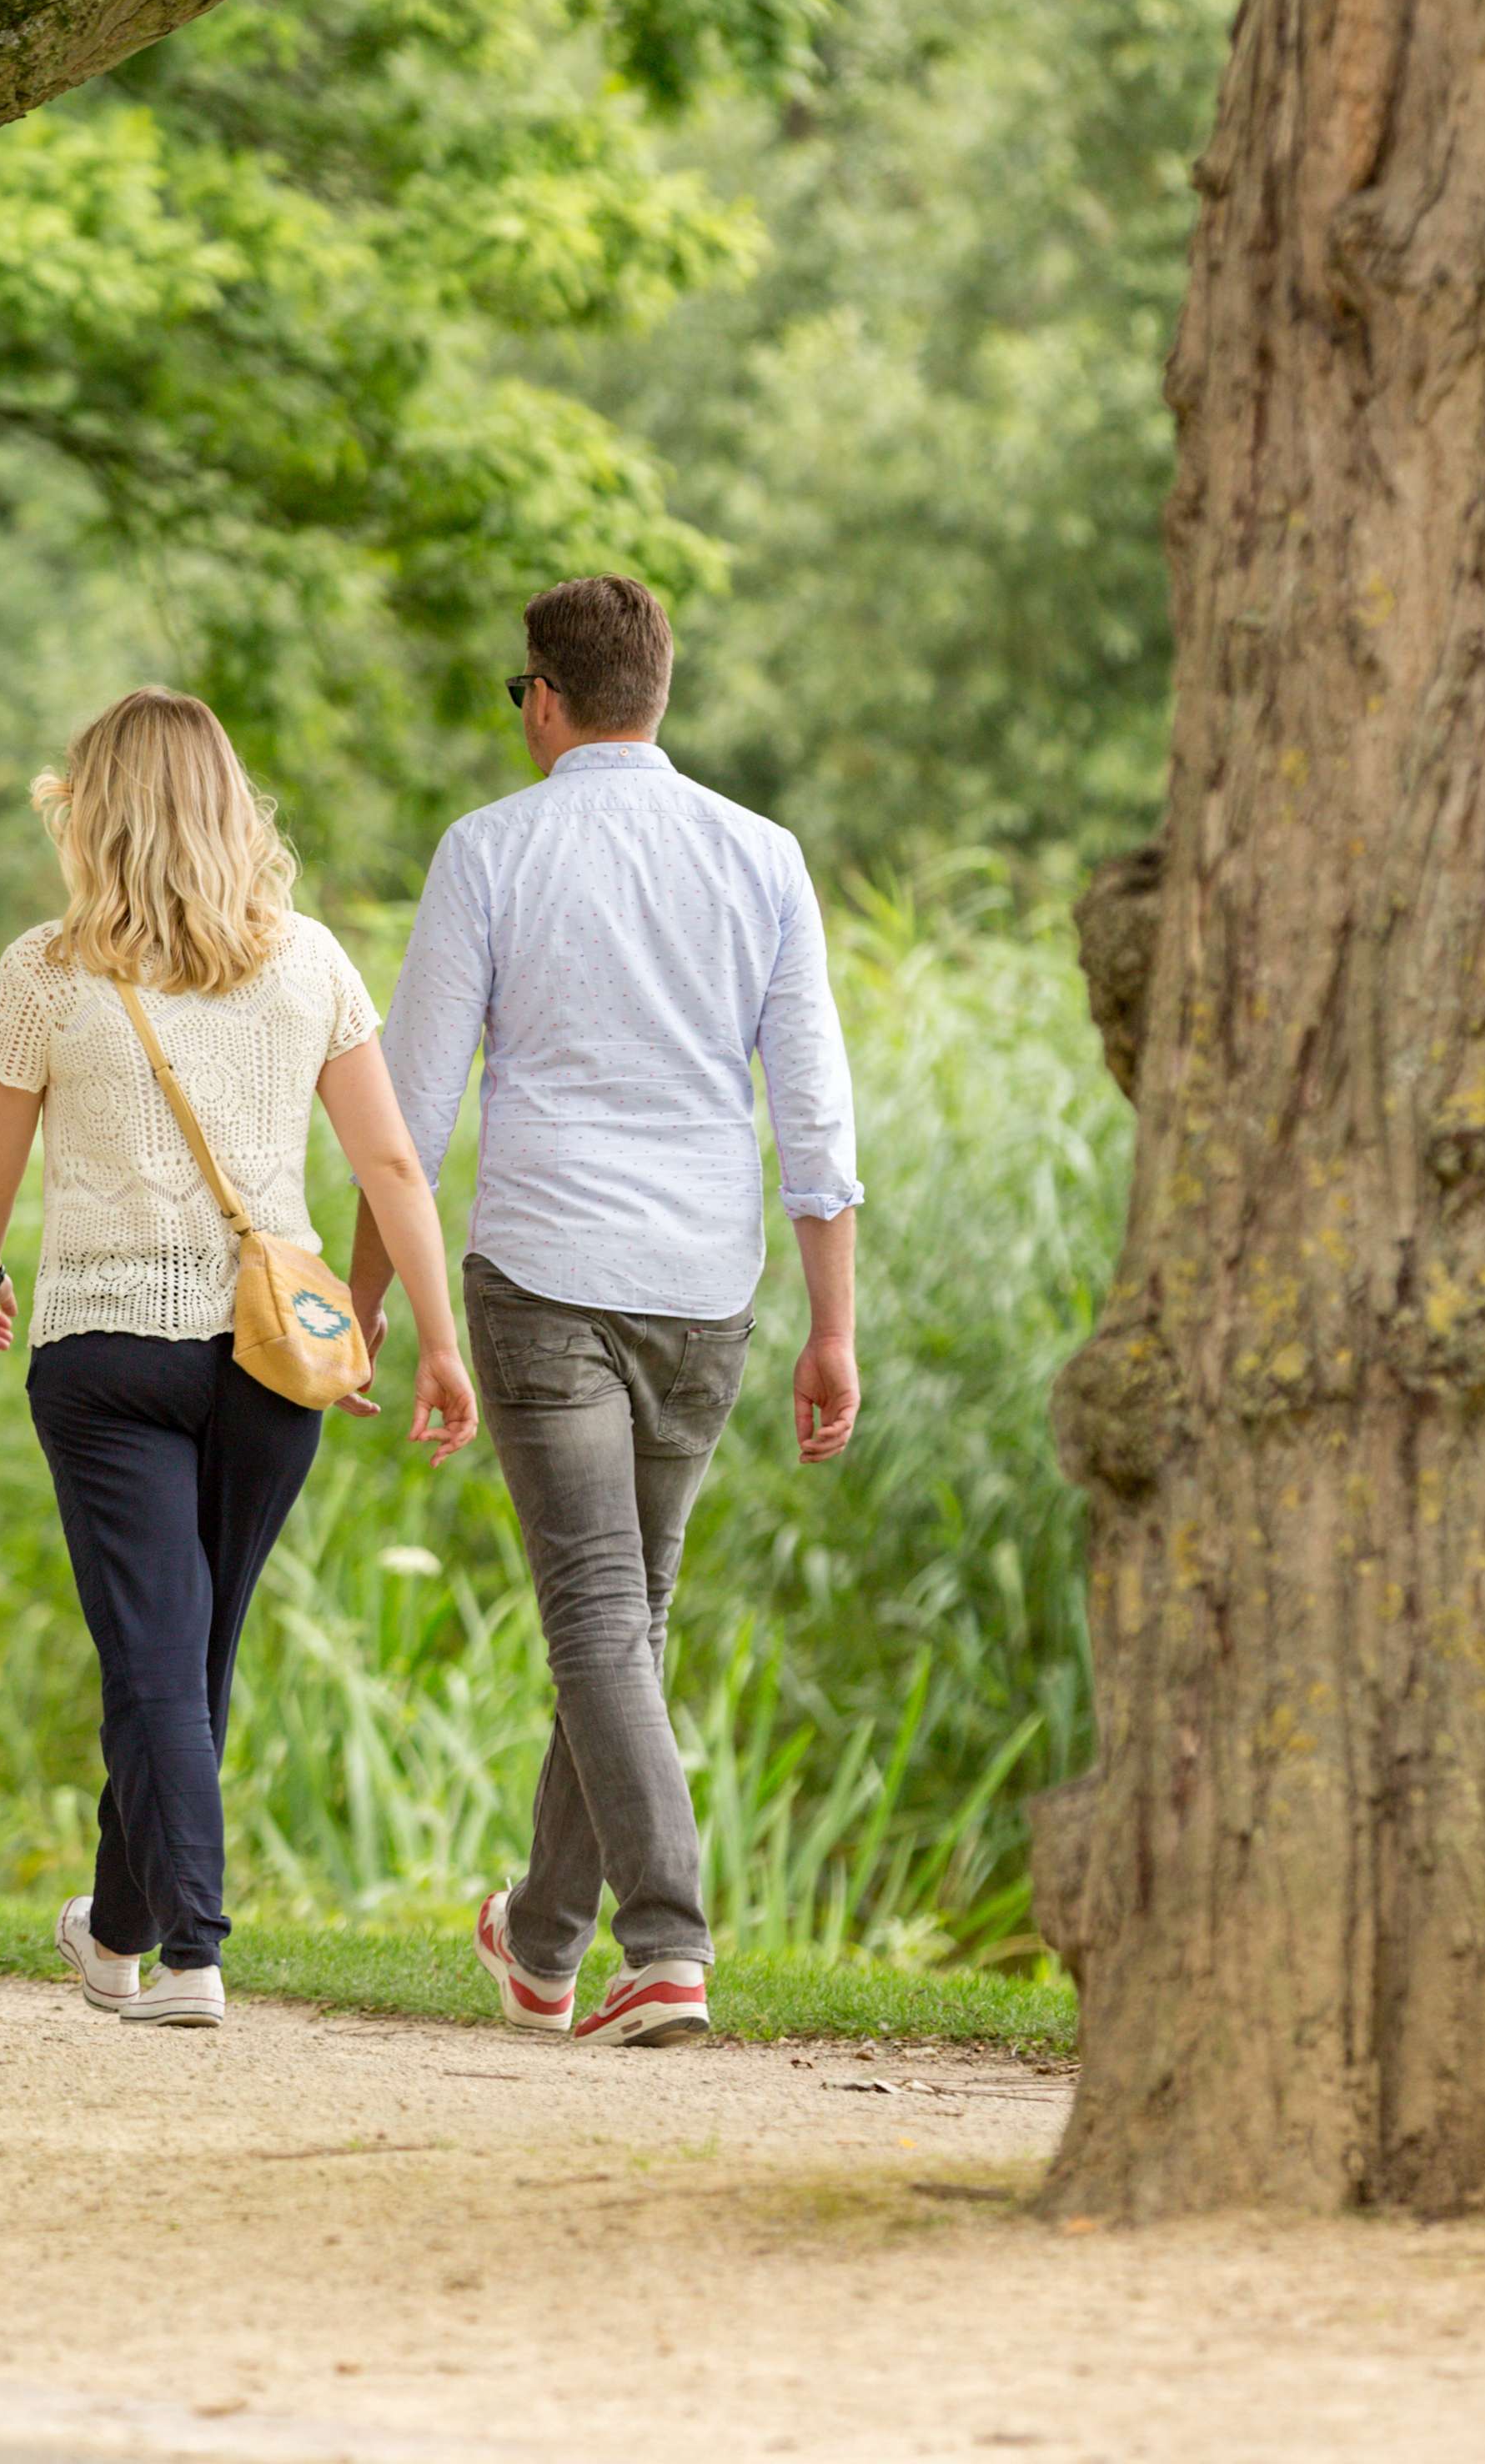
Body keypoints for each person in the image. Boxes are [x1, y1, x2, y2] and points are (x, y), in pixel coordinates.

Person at [347, 576, 861, 2050]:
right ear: (662, 687)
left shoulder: (490, 851)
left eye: (519, 696)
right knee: (620, 1615)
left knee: (596, 1613)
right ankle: (543, 1938)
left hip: (548, 1275)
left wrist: (371, 1299)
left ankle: (668, 1940)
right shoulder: (763, 856)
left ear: (546, 697)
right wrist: (834, 1328)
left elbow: (413, 1105)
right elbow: (816, 1116)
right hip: (709, 1287)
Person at [0, 689, 480, 2031]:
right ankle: (118, 1934)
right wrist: (428, 1336)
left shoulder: (45, 973)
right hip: (269, 1355)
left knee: (153, 1664)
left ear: (94, 812)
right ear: (233, 808)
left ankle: (191, 1952)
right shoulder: (308, 963)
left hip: (105, 1347)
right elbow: (392, 1162)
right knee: (189, 1655)